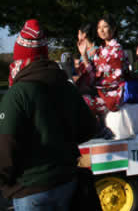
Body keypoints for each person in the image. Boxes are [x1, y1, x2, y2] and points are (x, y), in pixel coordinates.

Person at [0, 19, 97, 210]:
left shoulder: (17, 93)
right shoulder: (67, 87)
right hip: (67, 182)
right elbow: (88, 129)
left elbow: (5, 147)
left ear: (20, 57)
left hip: (31, 189)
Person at [77, 15, 128, 116]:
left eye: (105, 26)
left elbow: (114, 79)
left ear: (113, 29)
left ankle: (98, 129)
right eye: (99, 27)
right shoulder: (100, 50)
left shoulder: (117, 50)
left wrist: (93, 87)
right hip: (99, 90)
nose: (101, 30)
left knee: (82, 101)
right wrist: (84, 55)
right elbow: (93, 73)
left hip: (111, 94)